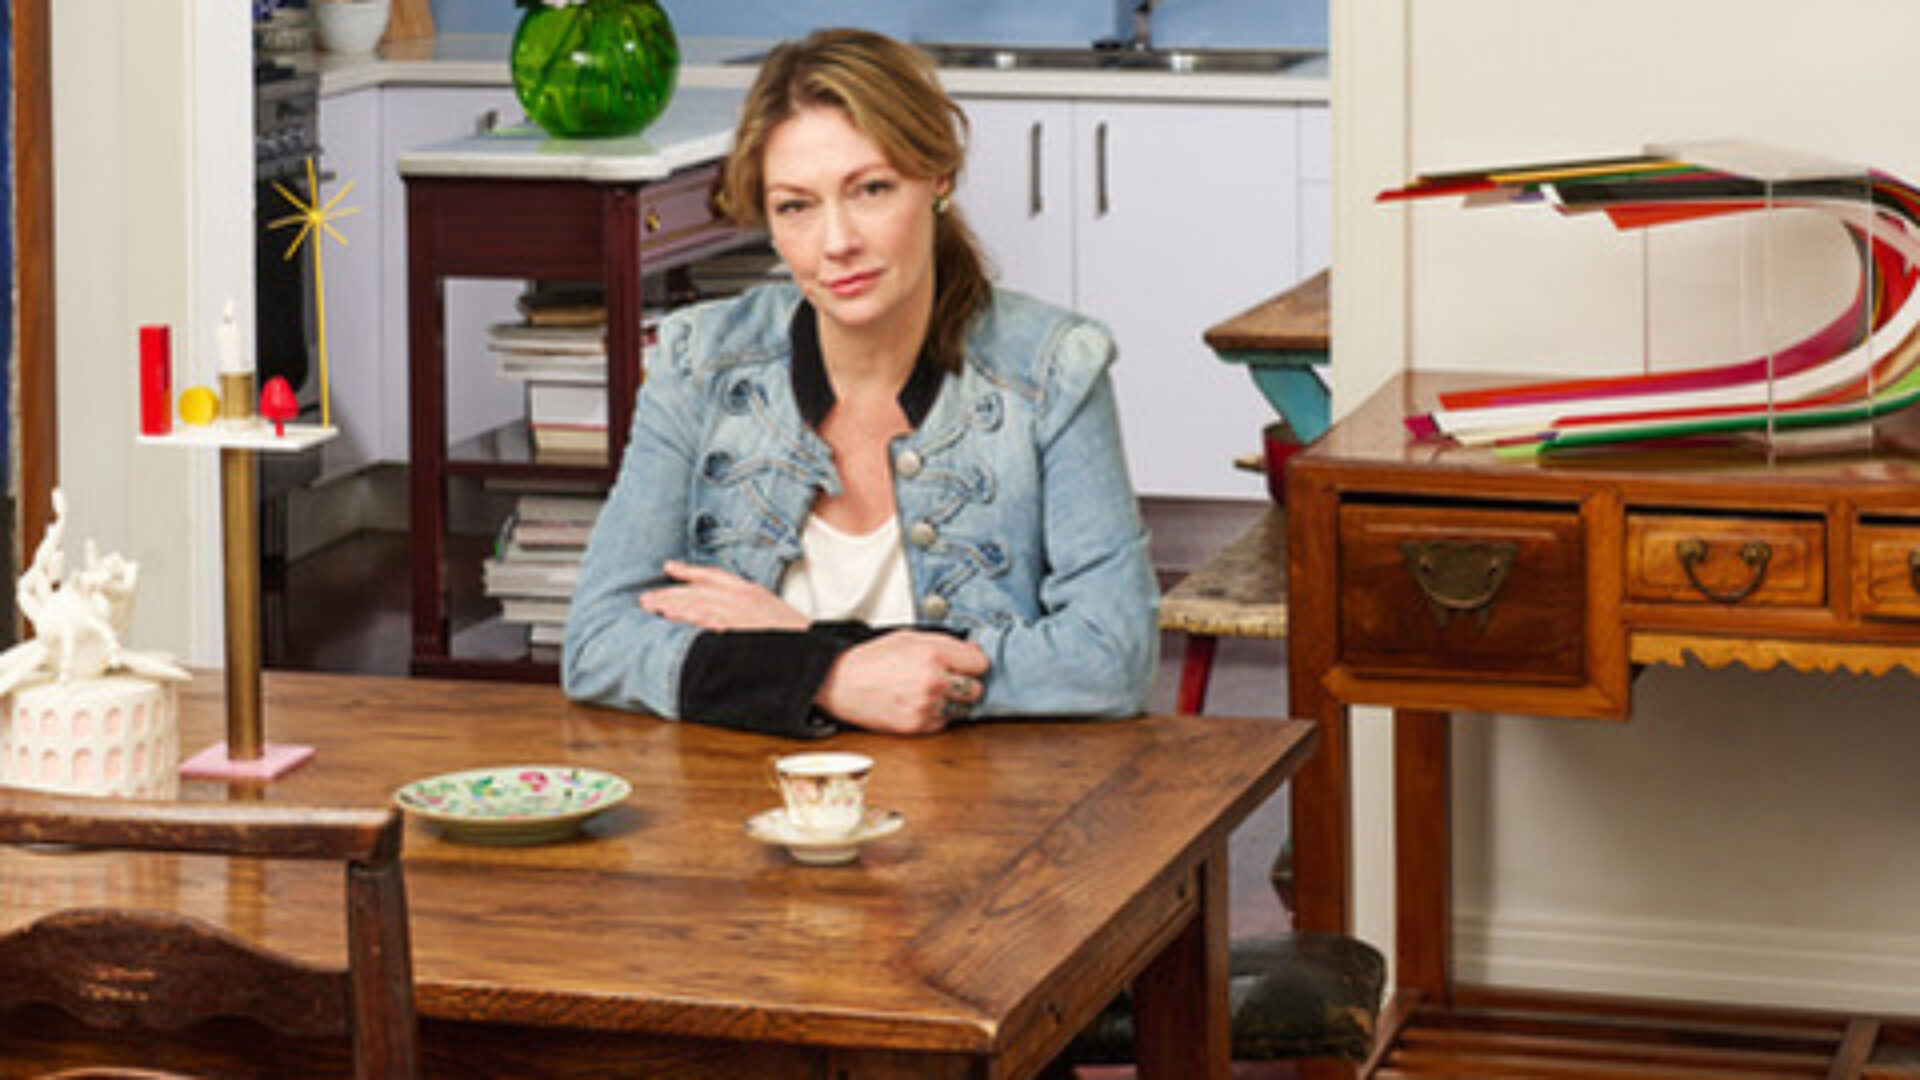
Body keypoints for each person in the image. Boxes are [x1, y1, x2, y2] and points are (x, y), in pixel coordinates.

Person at [563, 27, 1158, 737]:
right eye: (795, 206)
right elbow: (597, 643)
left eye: (871, 189)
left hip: (991, 813)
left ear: (939, 177)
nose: (836, 241)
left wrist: (799, 638)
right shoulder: (701, 363)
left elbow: (1111, 656)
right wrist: (831, 674)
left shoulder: (1053, 369)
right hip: (742, 809)